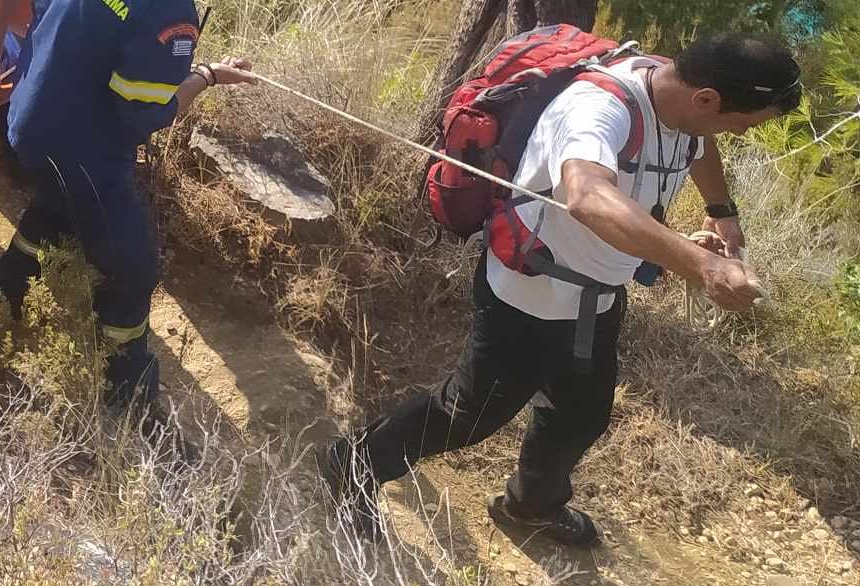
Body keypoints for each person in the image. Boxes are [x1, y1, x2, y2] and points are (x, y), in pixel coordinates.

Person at [319, 34, 800, 548]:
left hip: (598, 290)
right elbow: (588, 196)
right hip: (532, 289)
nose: (738, 133)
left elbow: (699, 142)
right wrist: (699, 264)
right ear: (707, 99)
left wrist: (721, 211)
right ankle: (353, 463)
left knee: (582, 412)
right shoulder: (598, 108)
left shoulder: (681, 97)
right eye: (742, 123)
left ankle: (531, 506)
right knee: (472, 413)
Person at [0, 0, 257, 407]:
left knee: (58, 201)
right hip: (81, 149)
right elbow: (143, 114)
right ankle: (127, 391)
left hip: (24, 120)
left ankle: (2, 288)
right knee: (132, 266)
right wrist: (204, 77)